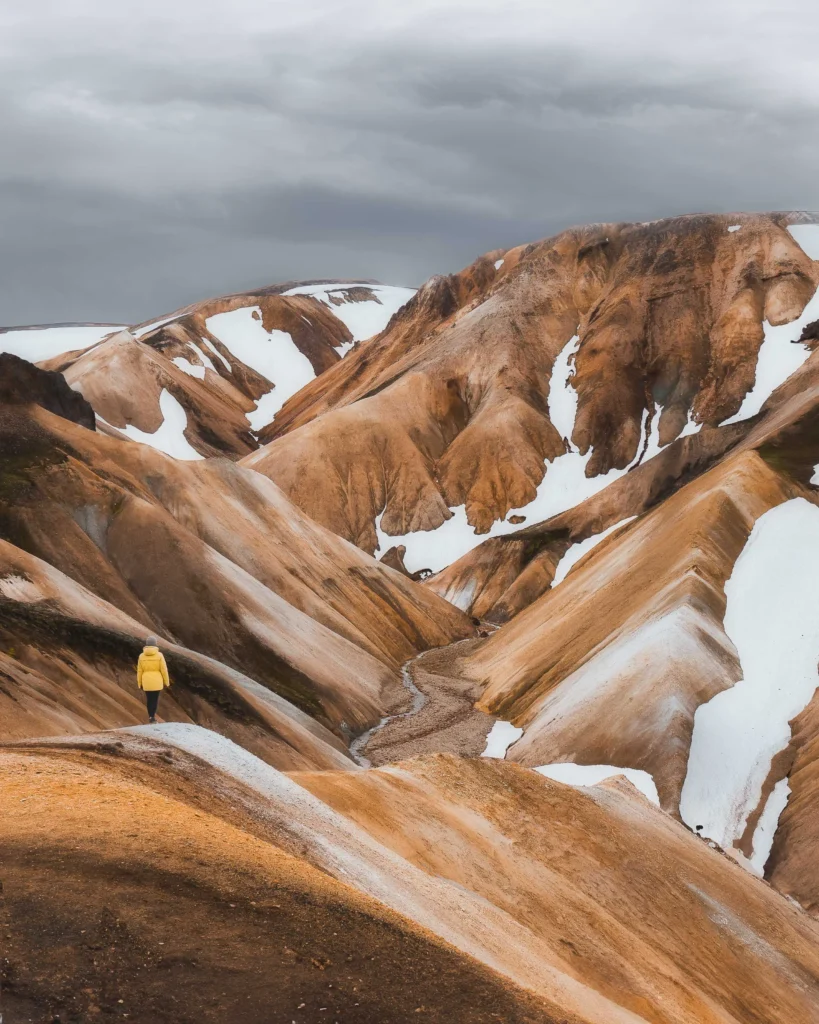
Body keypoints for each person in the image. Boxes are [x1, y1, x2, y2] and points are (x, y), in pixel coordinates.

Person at [137, 635, 170, 723]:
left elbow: (139, 671)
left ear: (147, 644)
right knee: (155, 700)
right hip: (157, 681)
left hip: (146, 681)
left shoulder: (141, 656)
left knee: (149, 699)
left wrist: (139, 683)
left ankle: (150, 716)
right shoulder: (159, 655)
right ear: (155, 645)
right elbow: (164, 669)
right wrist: (166, 682)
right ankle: (153, 717)